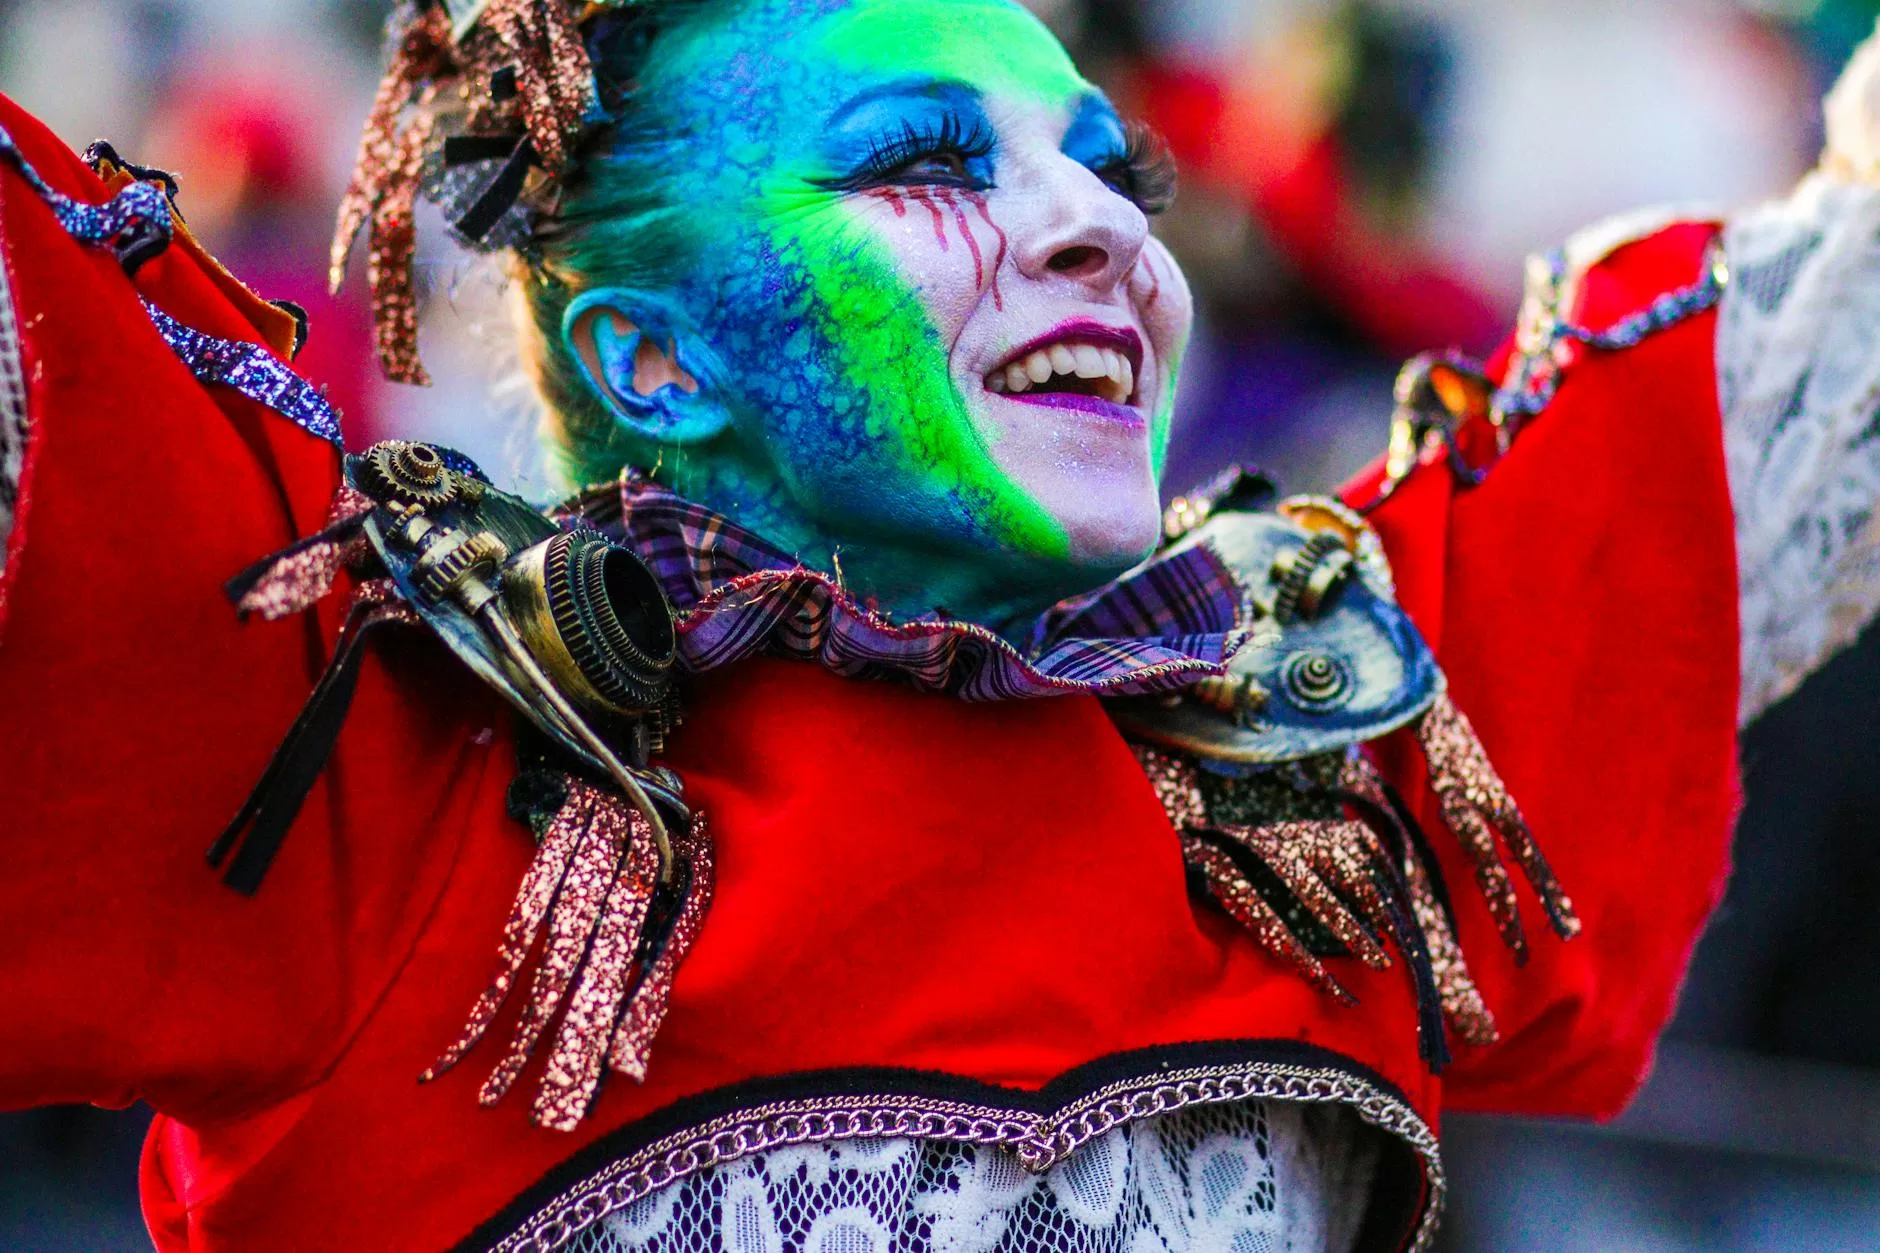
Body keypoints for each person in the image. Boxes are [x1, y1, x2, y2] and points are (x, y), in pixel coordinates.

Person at [1, 2, 1875, 1250]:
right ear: (647, 357)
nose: (1103, 234)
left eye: (1109, 168)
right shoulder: (365, 774)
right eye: (921, 161)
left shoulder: (1322, 778)